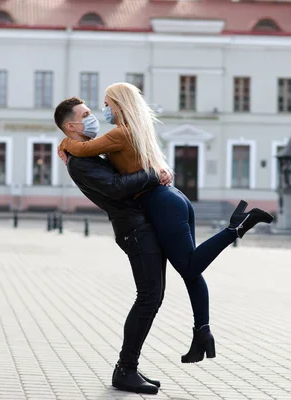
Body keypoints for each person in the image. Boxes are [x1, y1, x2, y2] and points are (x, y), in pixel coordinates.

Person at [57, 83, 274, 364]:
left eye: (107, 104)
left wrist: (64, 143)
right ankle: (202, 333)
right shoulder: (136, 130)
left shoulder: (120, 133)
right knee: (191, 273)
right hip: (173, 199)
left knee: (191, 266)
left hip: (160, 203)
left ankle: (237, 227)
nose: (103, 111)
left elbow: (83, 149)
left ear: (120, 106)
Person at [54, 97, 173, 395]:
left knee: (153, 297)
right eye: (86, 114)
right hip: (133, 230)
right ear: (72, 126)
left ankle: (128, 367)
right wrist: (152, 175)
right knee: (148, 297)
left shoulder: (86, 154)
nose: (93, 117)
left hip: (138, 226)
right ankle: (125, 370)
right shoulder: (80, 162)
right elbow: (117, 188)